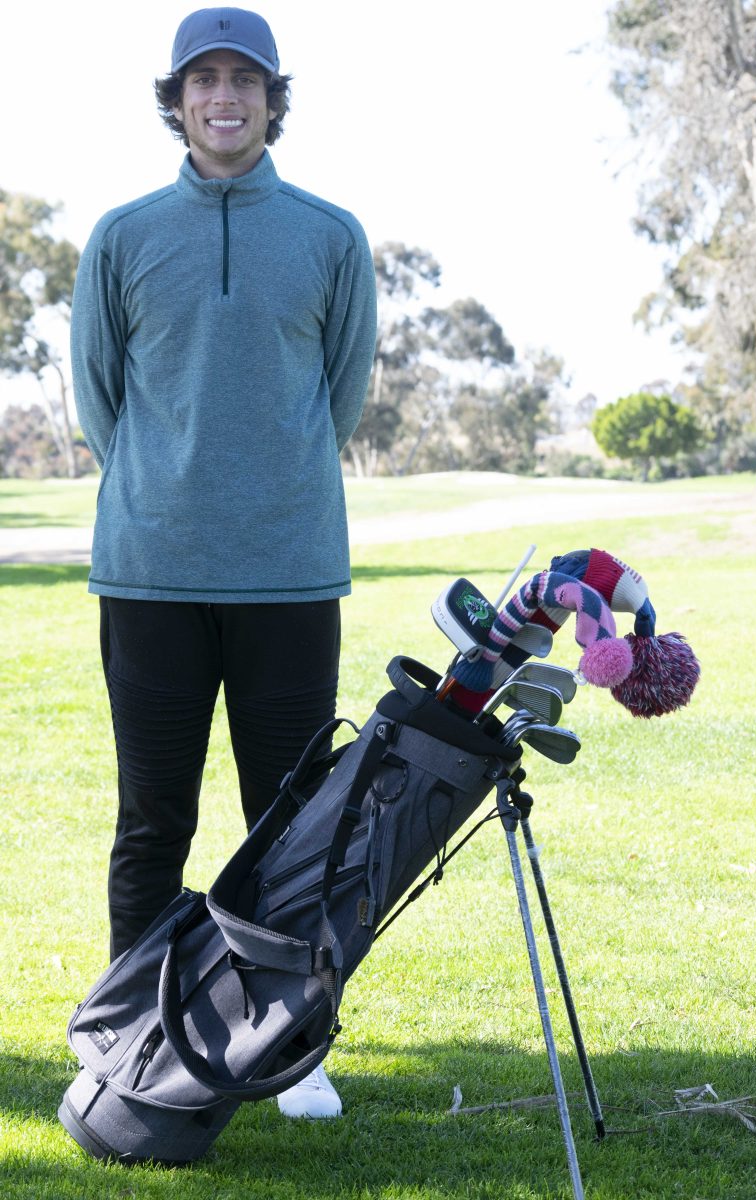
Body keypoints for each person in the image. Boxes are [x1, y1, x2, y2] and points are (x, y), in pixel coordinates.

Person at [71, 7, 377, 1120]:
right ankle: (124, 1033)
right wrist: (168, 489)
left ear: (270, 98)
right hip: (150, 575)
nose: (224, 98)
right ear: (179, 100)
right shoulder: (121, 233)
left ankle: (288, 1049)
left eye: (243, 79)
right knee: (153, 817)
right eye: (203, 80)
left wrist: (270, 489)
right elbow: (101, 400)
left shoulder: (332, 234)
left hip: (291, 576)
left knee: (292, 827)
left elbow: (337, 395)